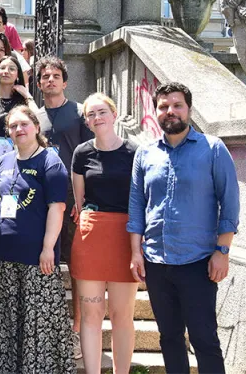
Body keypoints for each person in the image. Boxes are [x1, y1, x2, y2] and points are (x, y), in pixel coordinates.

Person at [128, 82, 239, 374]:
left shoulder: (212, 149)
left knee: (204, 339)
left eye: (177, 105)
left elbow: (230, 204)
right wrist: (136, 253)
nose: (170, 111)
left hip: (198, 262)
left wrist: (223, 251)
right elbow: (137, 205)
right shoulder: (145, 153)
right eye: (163, 106)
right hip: (156, 261)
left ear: (188, 109)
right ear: (156, 111)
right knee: (169, 337)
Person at [0, 105, 75, 374]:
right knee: (5, 321)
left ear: (36, 127)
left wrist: (48, 248)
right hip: (2, 256)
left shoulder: (50, 162)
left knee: (38, 323)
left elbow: (57, 208)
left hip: (36, 258)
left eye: (24, 124)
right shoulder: (3, 162)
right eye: (13, 126)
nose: (19, 129)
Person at [71, 93, 139, 374]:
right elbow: (79, 201)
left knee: (122, 315)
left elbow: (140, 200)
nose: (97, 117)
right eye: (91, 114)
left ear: (114, 114)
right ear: (86, 121)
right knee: (91, 314)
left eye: (101, 112)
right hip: (91, 237)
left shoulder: (135, 152)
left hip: (125, 237)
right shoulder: (81, 153)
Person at [35, 55, 94, 358]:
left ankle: (77, 329)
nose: (50, 80)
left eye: (56, 76)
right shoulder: (35, 117)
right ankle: (45, 328)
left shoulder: (80, 113)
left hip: (73, 200)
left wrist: (83, 199)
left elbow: (90, 157)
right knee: (44, 263)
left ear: (65, 82)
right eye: (45, 76)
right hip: (41, 200)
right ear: (39, 83)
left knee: (77, 267)